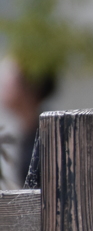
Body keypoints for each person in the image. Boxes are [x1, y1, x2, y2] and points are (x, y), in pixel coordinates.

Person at [0, 57, 56, 187]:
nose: (2, 81)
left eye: (11, 76)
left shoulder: (49, 138)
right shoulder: (26, 132)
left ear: (30, 86)